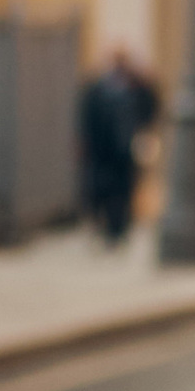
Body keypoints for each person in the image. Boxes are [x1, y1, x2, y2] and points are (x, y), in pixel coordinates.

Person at [78, 45, 155, 246]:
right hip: (101, 150)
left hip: (124, 149)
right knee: (100, 189)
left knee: (123, 190)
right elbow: (87, 117)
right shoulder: (97, 88)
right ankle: (103, 226)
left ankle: (118, 229)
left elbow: (149, 106)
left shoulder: (135, 86)